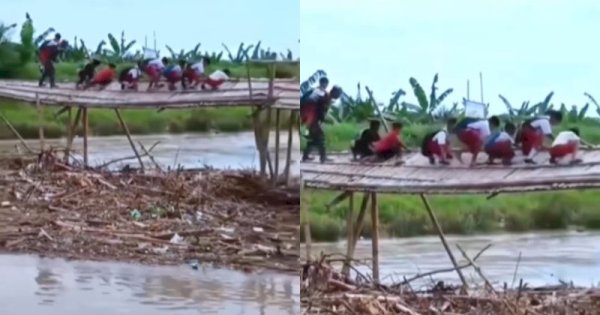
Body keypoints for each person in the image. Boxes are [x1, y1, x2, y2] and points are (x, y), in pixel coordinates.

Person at [301, 85, 343, 163]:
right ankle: (323, 158)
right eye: (338, 94)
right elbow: (320, 112)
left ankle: (305, 157)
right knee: (321, 137)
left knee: (313, 139)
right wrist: (324, 121)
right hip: (313, 120)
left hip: (311, 119)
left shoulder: (325, 97)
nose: (339, 96)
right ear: (334, 92)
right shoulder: (325, 98)